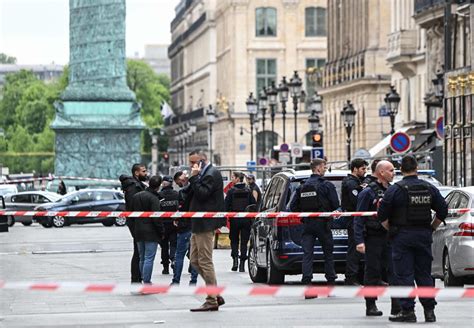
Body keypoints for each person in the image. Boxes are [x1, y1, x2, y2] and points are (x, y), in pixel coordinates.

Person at [378, 155, 448, 323]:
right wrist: (432, 227)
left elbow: (382, 216)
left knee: (404, 275)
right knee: (424, 274)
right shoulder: (429, 187)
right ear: (417, 168)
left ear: (400, 170)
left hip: (401, 237)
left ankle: (408, 311)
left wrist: (393, 230)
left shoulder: (395, 190)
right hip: (423, 235)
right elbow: (443, 210)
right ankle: (429, 311)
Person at [354, 160, 400, 317]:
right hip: (373, 237)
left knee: (395, 272)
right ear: (382, 173)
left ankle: (397, 306)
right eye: (391, 170)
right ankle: (371, 304)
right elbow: (359, 218)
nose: (394, 173)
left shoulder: (394, 190)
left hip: (391, 237)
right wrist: (359, 240)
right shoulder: (368, 192)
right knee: (372, 272)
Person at [289, 159, 340, 296]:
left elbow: (293, 207)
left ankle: (307, 286)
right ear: (317, 168)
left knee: (307, 255)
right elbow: (336, 204)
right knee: (328, 254)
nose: (325, 169)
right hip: (323, 224)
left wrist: (305, 214)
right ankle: (330, 285)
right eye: (324, 167)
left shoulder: (302, 186)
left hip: (308, 225)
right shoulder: (327, 185)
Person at [187, 150, 226, 312]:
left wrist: (194, 177)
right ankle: (215, 293)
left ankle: (211, 299)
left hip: (205, 223)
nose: (190, 166)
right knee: (194, 260)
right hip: (197, 222)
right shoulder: (203, 174)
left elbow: (202, 194)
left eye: (193, 163)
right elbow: (195, 193)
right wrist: (189, 181)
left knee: (204, 260)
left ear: (201, 162)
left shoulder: (211, 174)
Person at [130, 175, 164, 284]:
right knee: (149, 258)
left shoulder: (136, 196)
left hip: (138, 230)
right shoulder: (154, 199)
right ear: (158, 186)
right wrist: (161, 231)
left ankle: (143, 279)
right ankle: (147, 281)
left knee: (142, 257)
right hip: (151, 232)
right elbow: (156, 218)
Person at [341, 158, 368, 285]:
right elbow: (357, 201)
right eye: (363, 169)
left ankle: (356, 276)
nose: (365, 171)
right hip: (353, 219)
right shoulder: (351, 183)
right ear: (355, 169)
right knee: (354, 249)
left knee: (358, 249)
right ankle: (351, 277)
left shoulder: (357, 182)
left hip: (357, 219)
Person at [119, 163, 148, 283]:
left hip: (137, 221)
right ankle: (135, 279)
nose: (146, 173)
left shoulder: (136, 185)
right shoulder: (133, 187)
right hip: (136, 222)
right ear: (136, 173)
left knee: (139, 251)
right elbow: (133, 206)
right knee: (138, 251)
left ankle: (137, 278)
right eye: (143, 171)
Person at [171, 171, 199, 286]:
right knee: (194, 255)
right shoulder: (198, 191)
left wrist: (177, 218)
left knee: (180, 255)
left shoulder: (182, 193)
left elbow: (182, 209)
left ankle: (176, 280)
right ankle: (193, 281)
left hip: (185, 226)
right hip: (197, 225)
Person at [225, 171, 256, 272]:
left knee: (234, 240)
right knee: (244, 242)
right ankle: (242, 264)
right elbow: (253, 204)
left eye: (233, 177)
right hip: (246, 219)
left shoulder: (231, 191)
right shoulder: (248, 190)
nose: (232, 179)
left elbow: (226, 206)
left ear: (238, 179)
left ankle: (235, 261)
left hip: (234, 219)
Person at [158, 176, 179, 275]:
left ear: (163, 183)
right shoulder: (176, 194)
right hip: (174, 223)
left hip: (163, 224)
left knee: (164, 246)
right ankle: (173, 259)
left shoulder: (159, 195)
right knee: (174, 243)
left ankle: (165, 267)